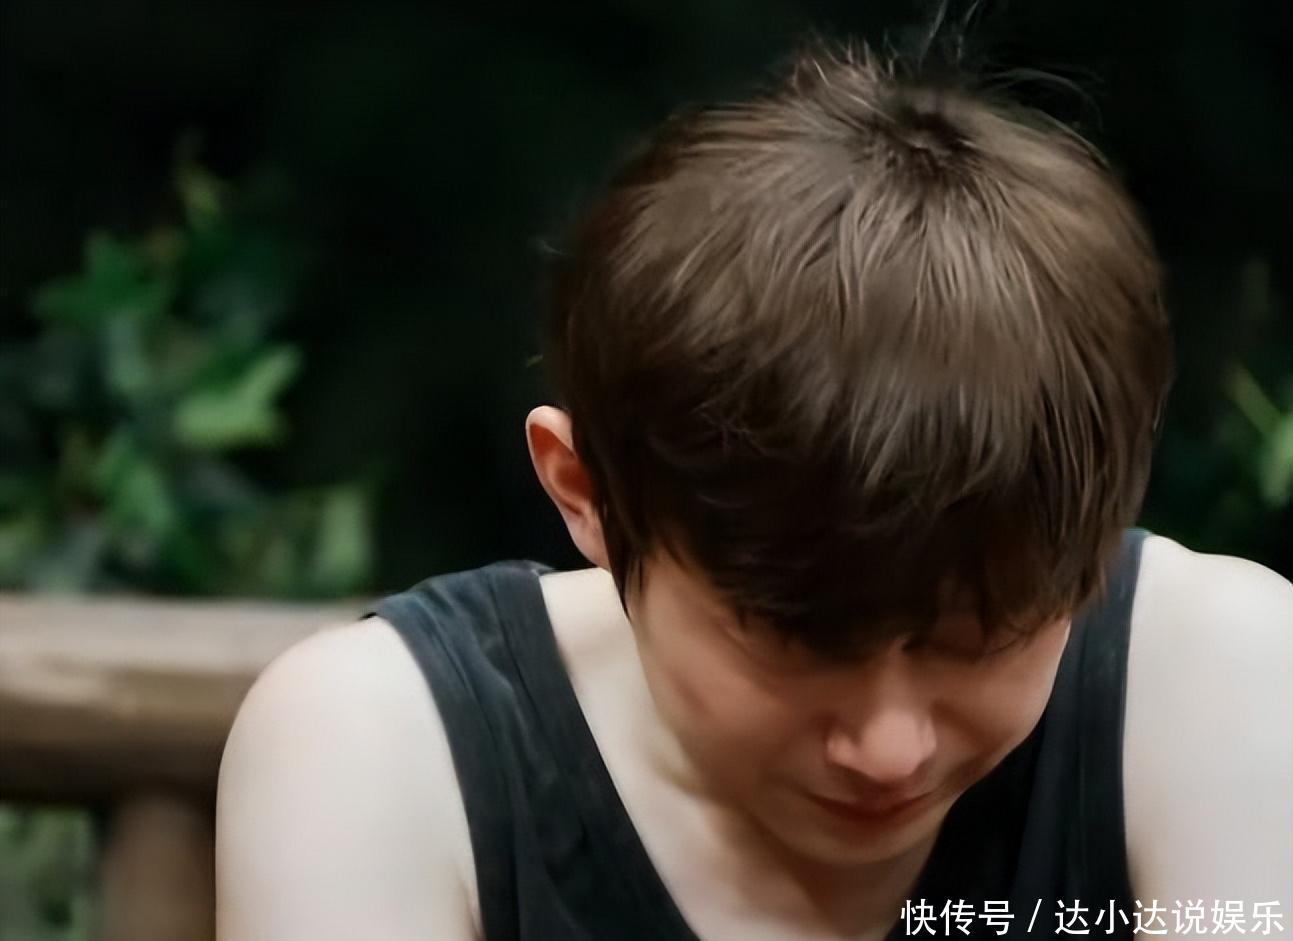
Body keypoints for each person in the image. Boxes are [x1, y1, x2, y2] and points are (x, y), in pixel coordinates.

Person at [214, 40, 1292, 941]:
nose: (889, 746)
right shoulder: (381, 750)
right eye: (797, 639)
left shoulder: (1217, 675)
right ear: (586, 492)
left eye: (981, 635)